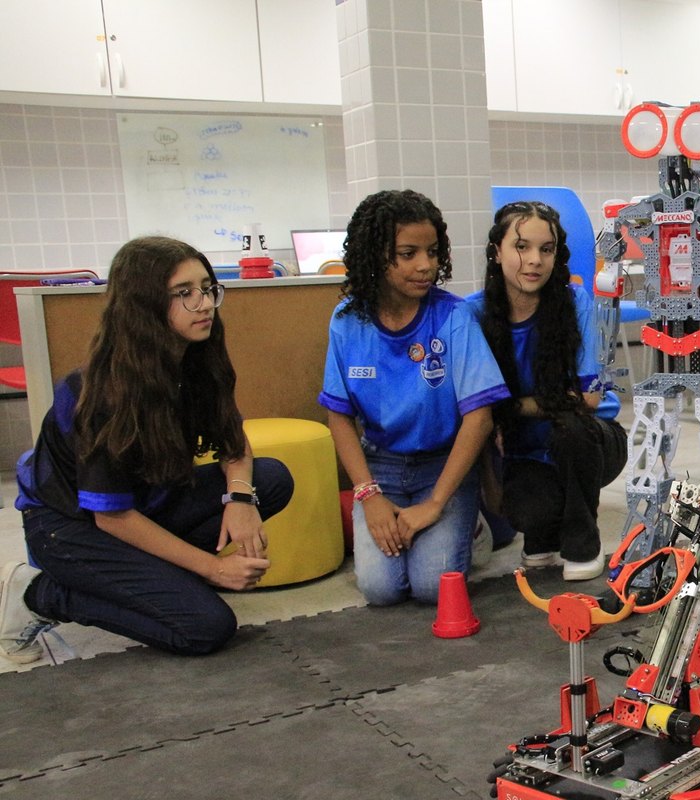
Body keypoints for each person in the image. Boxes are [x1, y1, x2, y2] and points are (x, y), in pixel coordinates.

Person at [1, 236, 295, 662]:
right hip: (71, 529)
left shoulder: (197, 358)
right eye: (184, 294)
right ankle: (38, 593)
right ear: (144, 306)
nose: (204, 303)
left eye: (207, 288)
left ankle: (160, 580)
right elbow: (112, 517)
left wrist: (241, 498)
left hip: (148, 502)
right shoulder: (99, 391)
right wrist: (212, 568)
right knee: (205, 628)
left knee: (271, 479)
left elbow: (234, 442)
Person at [320, 189, 509, 606]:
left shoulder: (454, 316)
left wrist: (437, 503)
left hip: (444, 465)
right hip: (381, 466)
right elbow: (338, 416)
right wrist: (368, 496)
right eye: (407, 253)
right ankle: (430, 528)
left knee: (430, 588)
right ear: (376, 255)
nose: (425, 265)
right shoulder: (348, 320)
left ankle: (475, 528)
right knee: (380, 589)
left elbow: (480, 417)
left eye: (432, 251)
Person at [472, 201, 627, 581]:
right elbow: (473, 410)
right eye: (521, 247)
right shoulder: (473, 314)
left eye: (546, 249)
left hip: (592, 441)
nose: (535, 260)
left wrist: (512, 406)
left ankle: (582, 545)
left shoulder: (573, 302)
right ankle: (539, 540)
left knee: (570, 429)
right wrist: (491, 484)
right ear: (497, 252)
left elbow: (588, 400)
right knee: (527, 509)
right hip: (524, 450)